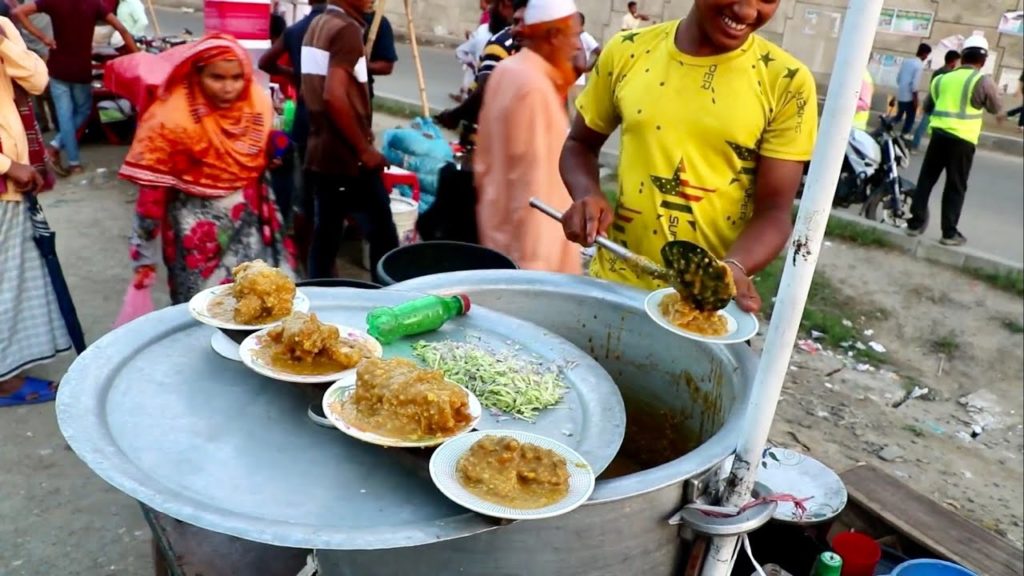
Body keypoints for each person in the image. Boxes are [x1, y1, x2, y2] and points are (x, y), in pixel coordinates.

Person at [560, 0, 819, 313]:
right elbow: (579, 145)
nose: (747, 12)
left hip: (705, 311)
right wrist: (587, 193)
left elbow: (775, 211)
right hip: (613, 291)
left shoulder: (785, 81)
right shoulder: (628, 52)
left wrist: (732, 269)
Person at [120, 34, 294, 304]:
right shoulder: (170, 118)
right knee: (204, 305)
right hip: (195, 231)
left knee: (253, 298)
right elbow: (151, 192)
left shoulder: (256, 104)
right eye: (217, 77)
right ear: (197, 74)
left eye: (236, 77)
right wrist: (143, 253)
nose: (228, 87)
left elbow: (264, 147)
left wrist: (273, 150)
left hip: (247, 222)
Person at [474, 0, 582, 273]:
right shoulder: (533, 88)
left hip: (498, 236)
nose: (579, 45)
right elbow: (533, 188)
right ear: (554, 36)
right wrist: (535, 266)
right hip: (530, 257)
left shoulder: (508, 71)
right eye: (574, 35)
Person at [0, 14, 70, 406]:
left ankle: (8, 371)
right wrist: (9, 166)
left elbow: (37, 81)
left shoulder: (4, 28)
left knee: (13, 278)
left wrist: (4, 41)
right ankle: (5, 382)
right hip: (6, 177)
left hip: (12, 184)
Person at [301, 0, 397, 278]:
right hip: (345, 157)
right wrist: (364, 149)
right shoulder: (346, 29)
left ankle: (322, 300)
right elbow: (333, 94)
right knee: (384, 239)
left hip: (322, 151)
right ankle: (387, 303)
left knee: (326, 238)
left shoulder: (318, 23)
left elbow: (313, 88)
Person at [13, 0, 138, 176]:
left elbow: (19, 12)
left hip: (58, 68)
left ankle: (72, 162)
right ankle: (57, 148)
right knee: (83, 111)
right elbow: (122, 29)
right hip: (80, 70)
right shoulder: (95, 4)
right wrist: (139, 57)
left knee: (65, 116)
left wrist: (43, 37)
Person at [905, 36, 1004, 247]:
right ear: (983, 61)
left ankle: (914, 224)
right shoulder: (983, 81)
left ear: (962, 56)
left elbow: (929, 106)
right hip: (963, 141)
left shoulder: (941, 79)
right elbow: (995, 107)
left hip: (939, 136)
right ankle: (948, 233)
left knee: (926, 181)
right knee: (955, 187)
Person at [435, 0, 523, 132]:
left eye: (493, 4)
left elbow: (485, 92)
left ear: (505, 4)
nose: (489, 9)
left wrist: (454, 116)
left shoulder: (502, 43)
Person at [911, 49, 959, 151]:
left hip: (932, 102)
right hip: (941, 106)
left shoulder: (938, 71)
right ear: (953, 61)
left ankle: (914, 146)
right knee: (938, 129)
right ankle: (933, 149)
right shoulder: (951, 75)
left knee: (923, 126)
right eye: (957, 61)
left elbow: (932, 87)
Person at [891, 42, 931, 138]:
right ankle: (903, 136)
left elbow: (898, 79)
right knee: (910, 119)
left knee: (898, 116)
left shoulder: (906, 62)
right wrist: (915, 100)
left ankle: (887, 125)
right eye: (927, 55)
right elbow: (915, 85)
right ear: (925, 54)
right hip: (910, 97)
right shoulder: (919, 66)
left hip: (901, 94)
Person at [568, 12, 600, 118]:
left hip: (577, 80)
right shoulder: (573, 36)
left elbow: (599, 52)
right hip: (569, 78)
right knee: (567, 109)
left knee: (573, 110)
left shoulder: (585, 37)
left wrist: (589, 67)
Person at [363, 9, 398, 102]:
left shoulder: (379, 23)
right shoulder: (331, 14)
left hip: (360, 93)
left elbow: (387, 66)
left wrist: (361, 66)